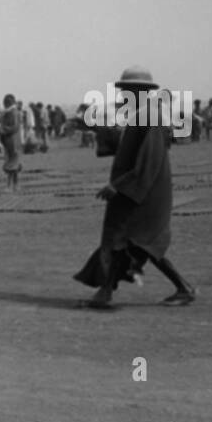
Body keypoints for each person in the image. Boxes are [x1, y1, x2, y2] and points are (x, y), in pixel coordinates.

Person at [74, 66, 196, 309]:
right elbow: (128, 148)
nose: (123, 95)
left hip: (143, 193)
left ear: (140, 91)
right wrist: (102, 130)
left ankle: (183, 288)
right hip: (139, 190)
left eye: (127, 90)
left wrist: (118, 186)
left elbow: (147, 161)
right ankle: (106, 291)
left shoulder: (149, 115)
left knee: (139, 242)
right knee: (125, 241)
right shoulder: (141, 114)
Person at [0, 93, 22, 191]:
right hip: (14, 140)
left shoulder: (11, 112)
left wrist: (3, 129)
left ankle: (9, 186)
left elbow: (14, 127)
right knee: (14, 162)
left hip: (11, 140)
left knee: (10, 162)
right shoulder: (14, 112)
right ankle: (16, 185)